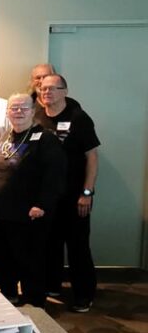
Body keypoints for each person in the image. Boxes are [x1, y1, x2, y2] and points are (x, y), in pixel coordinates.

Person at [0, 93, 66, 307]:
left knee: (29, 259)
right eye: (14, 108)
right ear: (7, 112)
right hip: (0, 212)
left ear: (33, 111)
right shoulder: (6, 136)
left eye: (23, 108)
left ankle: (34, 301)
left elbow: (54, 175)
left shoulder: (46, 139)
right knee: (5, 258)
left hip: (28, 214)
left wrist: (41, 204)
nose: (18, 112)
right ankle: (8, 293)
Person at [36, 74, 100, 312]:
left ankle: (84, 295)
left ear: (65, 91)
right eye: (43, 89)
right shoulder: (38, 117)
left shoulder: (79, 118)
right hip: (48, 198)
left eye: (53, 88)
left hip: (75, 197)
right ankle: (53, 286)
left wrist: (87, 192)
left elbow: (92, 157)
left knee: (78, 247)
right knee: (50, 243)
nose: (47, 93)